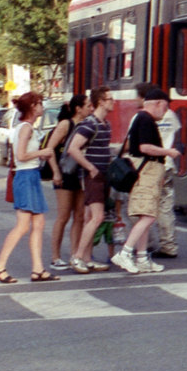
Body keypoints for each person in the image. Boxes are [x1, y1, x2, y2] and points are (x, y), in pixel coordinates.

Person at [112, 86, 182, 274]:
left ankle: (142, 257)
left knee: (145, 215)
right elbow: (144, 147)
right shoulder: (145, 119)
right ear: (158, 103)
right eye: (165, 107)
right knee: (149, 216)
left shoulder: (143, 118)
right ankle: (125, 253)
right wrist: (168, 152)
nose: (165, 112)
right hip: (146, 172)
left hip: (149, 172)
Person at [0, 92, 57, 284]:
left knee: (39, 224)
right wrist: (42, 152)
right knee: (22, 226)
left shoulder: (28, 128)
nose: (42, 108)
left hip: (31, 175)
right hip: (26, 177)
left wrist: (39, 155)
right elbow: (20, 155)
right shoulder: (26, 128)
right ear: (33, 106)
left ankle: (38, 269)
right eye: (40, 104)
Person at [66, 87, 116, 274]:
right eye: (110, 98)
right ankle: (77, 257)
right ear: (101, 102)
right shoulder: (90, 124)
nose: (113, 101)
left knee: (90, 217)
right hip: (93, 177)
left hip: (103, 176)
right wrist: (90, 167)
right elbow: (73, 148)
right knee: (97, 217)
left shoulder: (105, 124)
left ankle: (87, 258)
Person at [45, 94, 91, 270]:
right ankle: (55, 257)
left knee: (79, 216)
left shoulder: (87, 125)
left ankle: (75, 254)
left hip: (80, 174)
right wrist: (56, 172)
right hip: (64, 174)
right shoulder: (66, 124)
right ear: (78, 108)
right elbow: (50, 149)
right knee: (63, 216)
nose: (90, 109)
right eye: (87, 105)